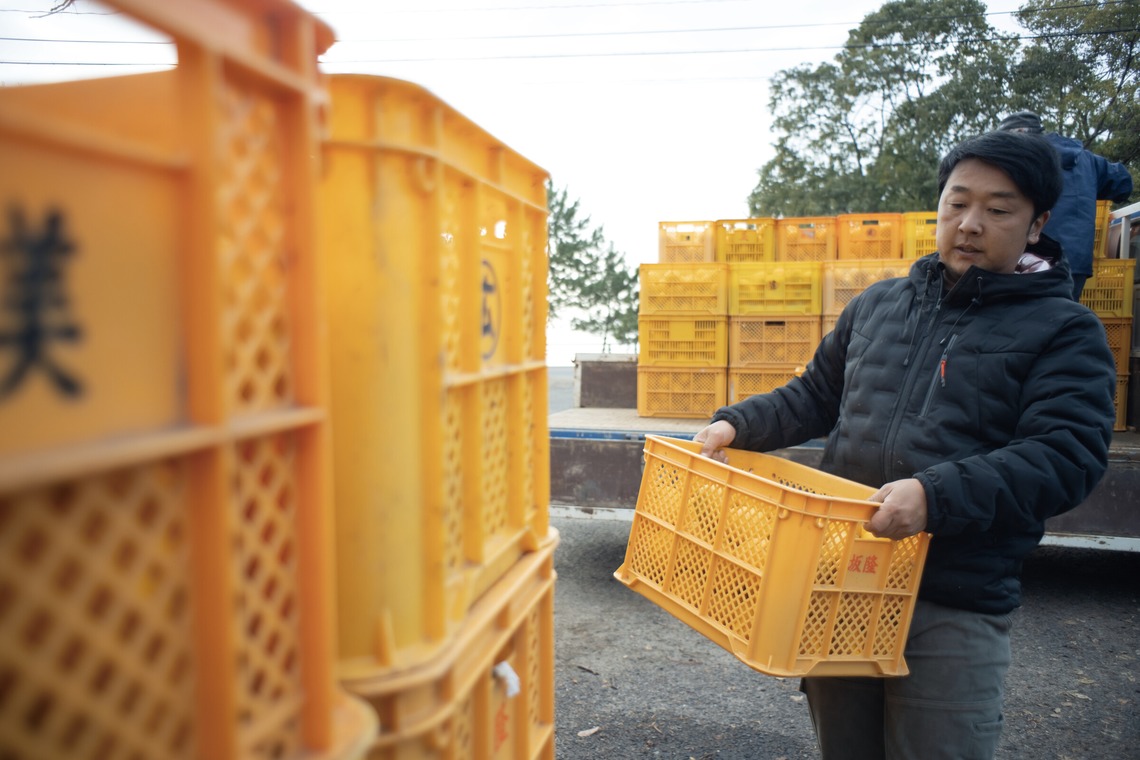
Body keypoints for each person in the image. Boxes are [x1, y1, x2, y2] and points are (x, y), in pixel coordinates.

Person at [694, 130, 1117, 760]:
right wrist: (736, 424)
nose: (970, 225)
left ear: (1037, 225)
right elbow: (815, 395)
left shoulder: (1064, 330)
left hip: (954, 597)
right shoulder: (880, 305)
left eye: (998, 210)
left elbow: (1065, 456)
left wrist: (933, 495)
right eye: (957, 203)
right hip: (843, 579)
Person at [996, 110, 1133, 299]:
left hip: (1025, 258)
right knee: (1061, 318)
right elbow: (1123, 183)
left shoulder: (1014, 159)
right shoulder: (1086, 159)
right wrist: (1088, 186)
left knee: (1024, 320)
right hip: (1075, 261)